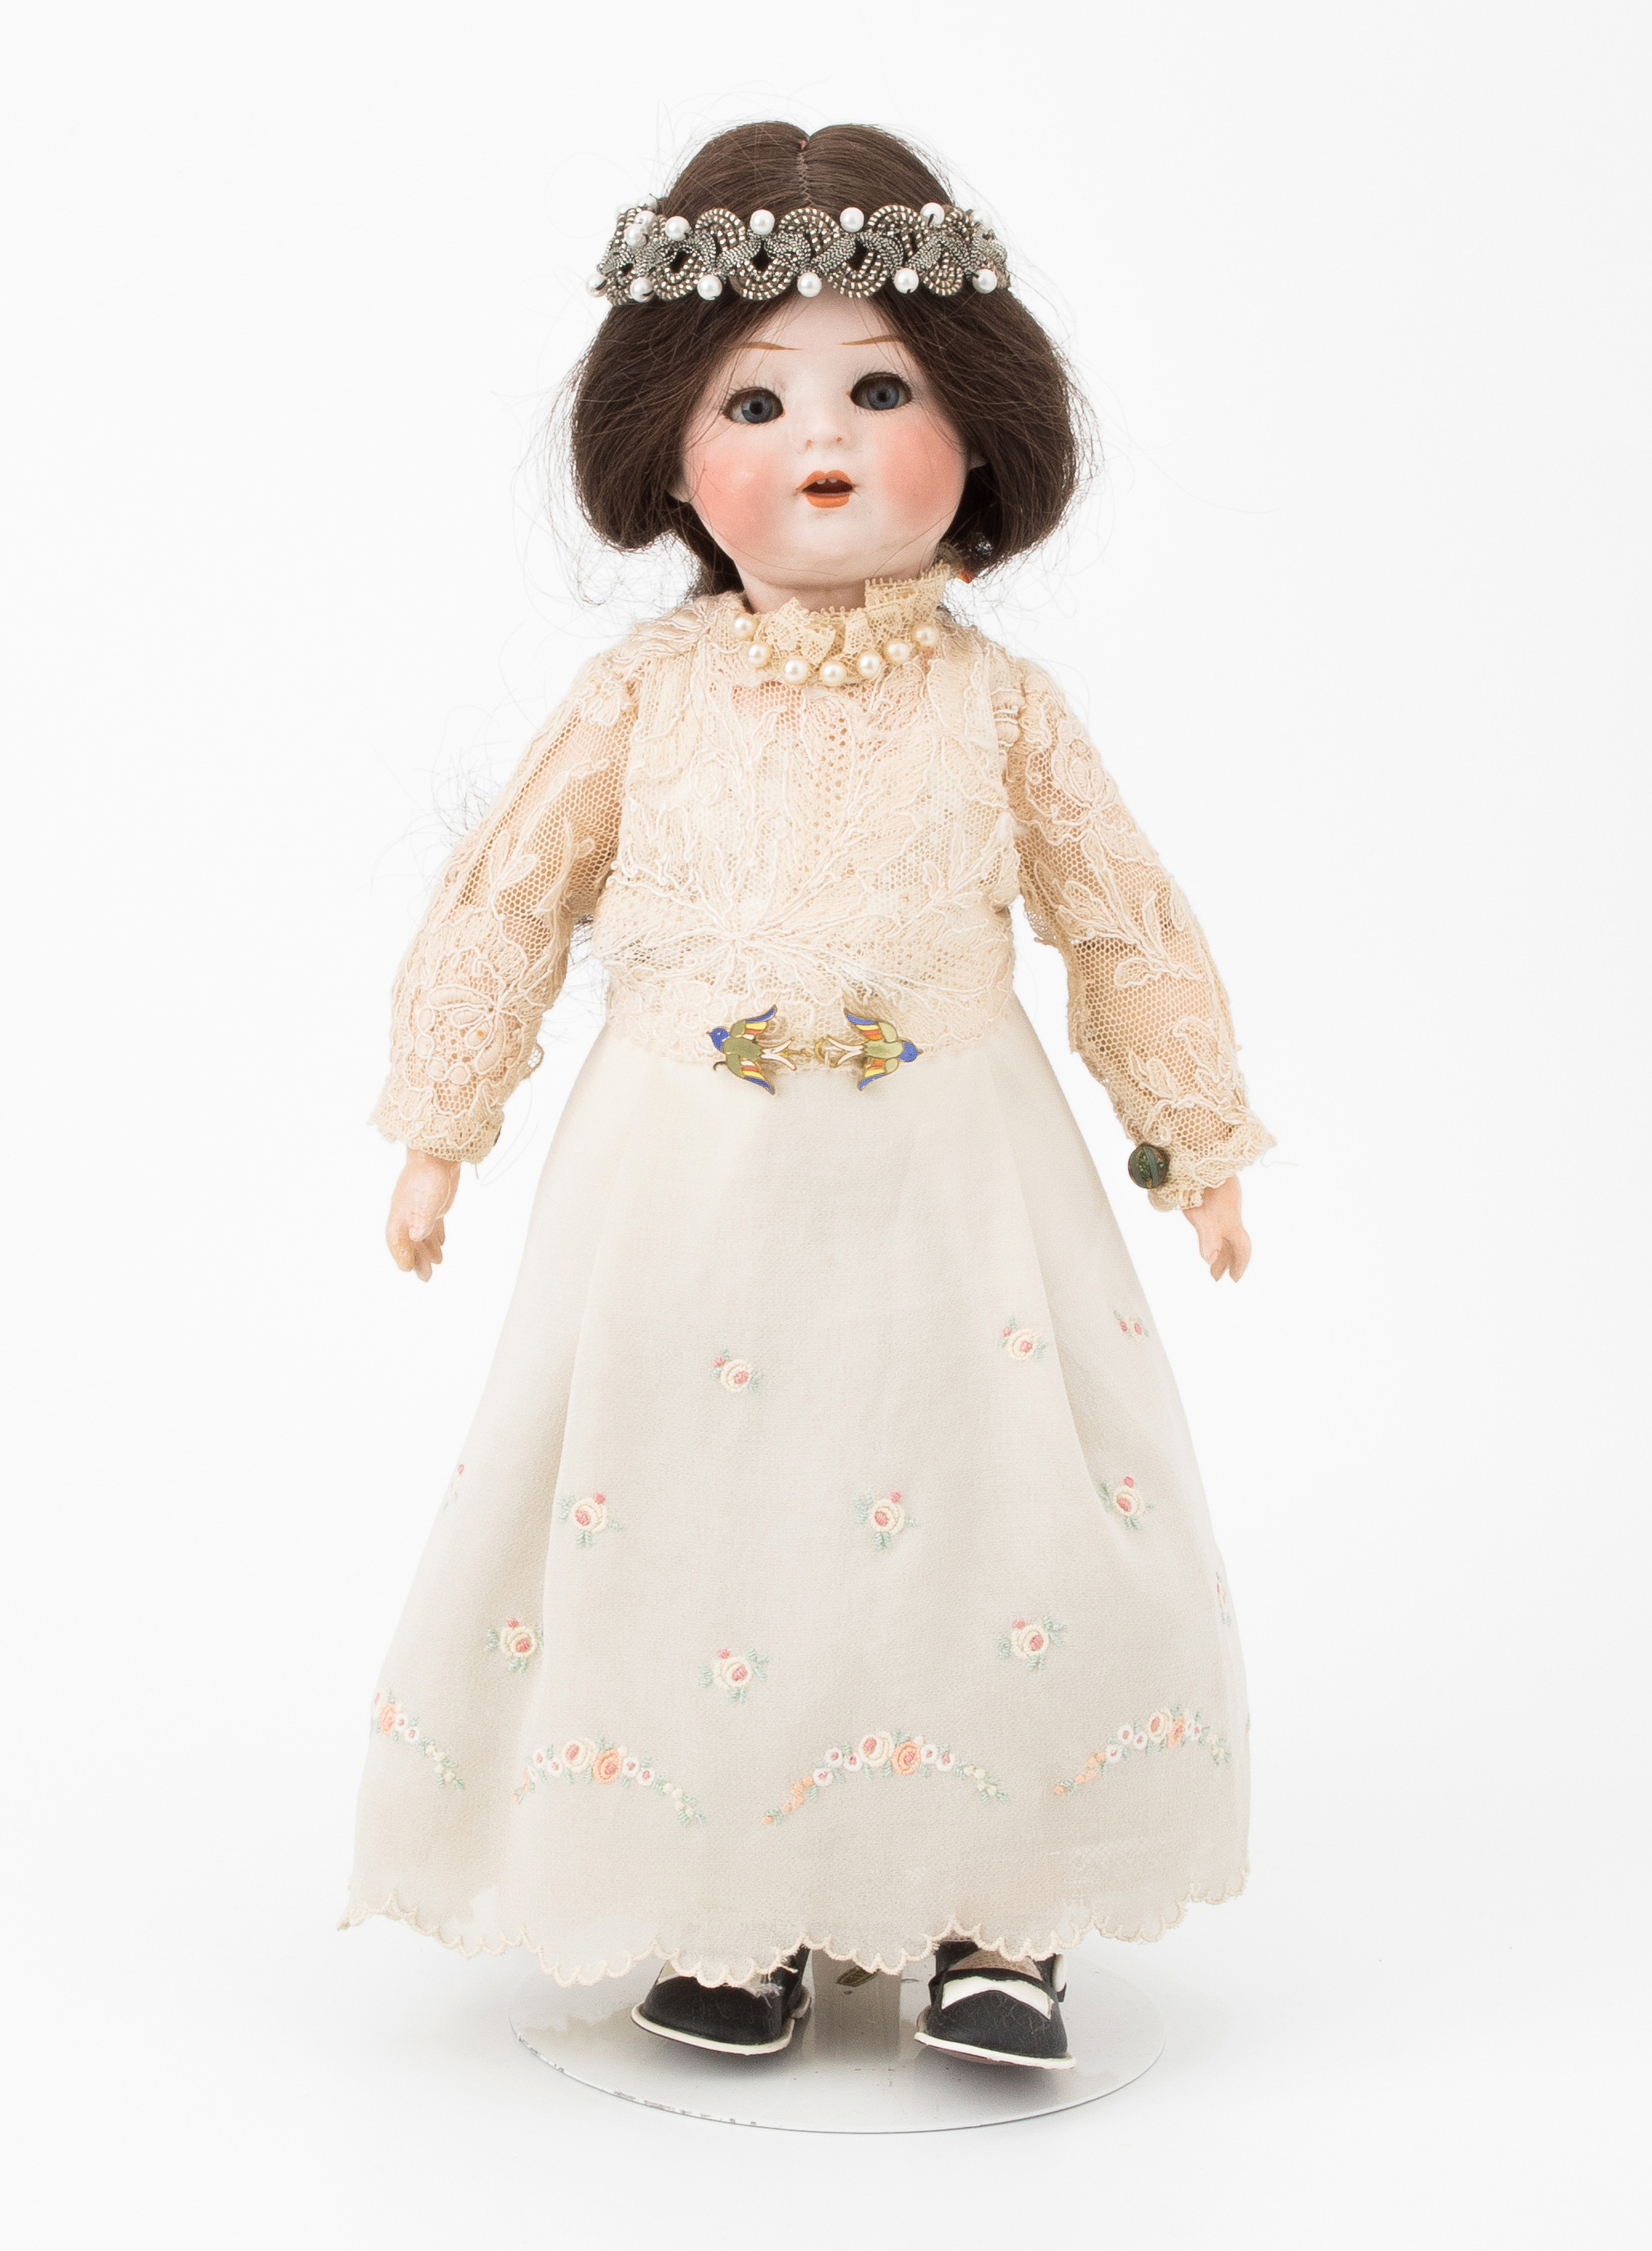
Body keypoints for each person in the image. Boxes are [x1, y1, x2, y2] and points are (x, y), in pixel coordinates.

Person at [344, 120, 1273, 2073]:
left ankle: (992, 1907)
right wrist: (442, 1121)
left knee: (991, 1509)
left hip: (959, 1181)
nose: (821, 442)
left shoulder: (997, 705)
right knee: (701, 1517)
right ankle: (731, 1894)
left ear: (978, 431)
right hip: (683, 1184)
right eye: (755, 402)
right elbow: (509, 896)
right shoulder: (643, 696)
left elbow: (1116, 911)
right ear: (670, 453)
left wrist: (1191, 1131)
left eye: (880, 390)